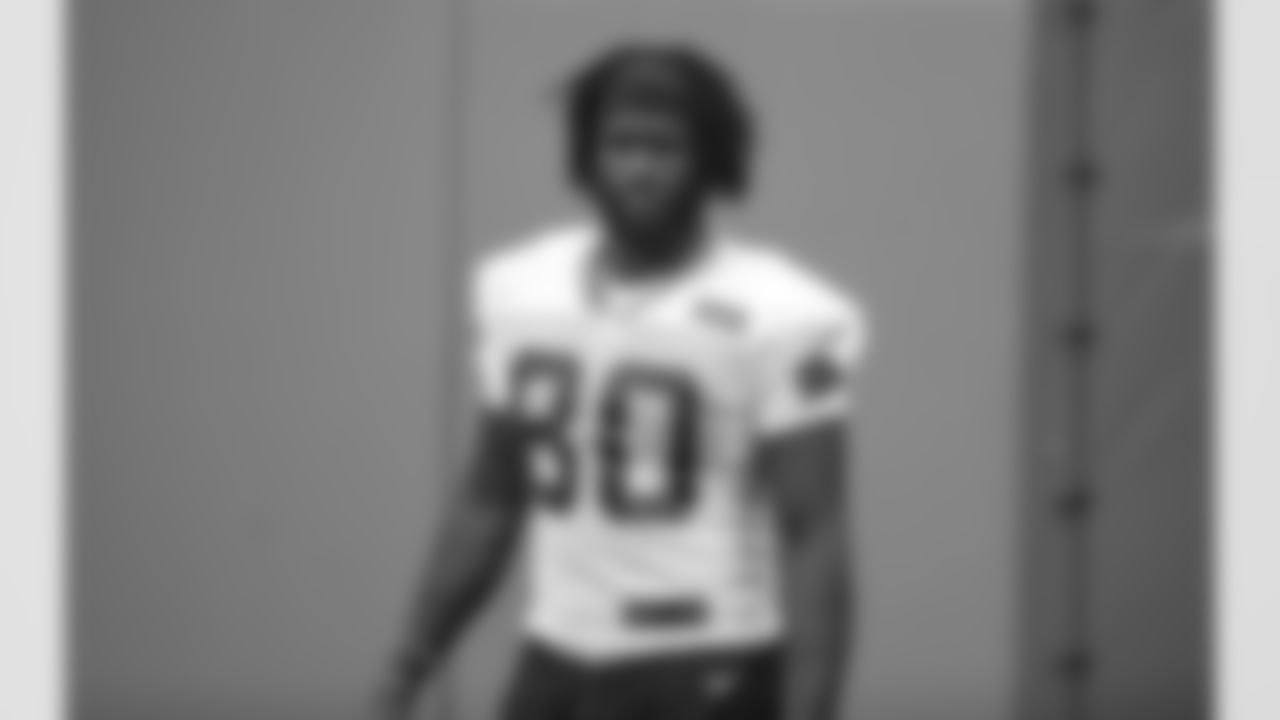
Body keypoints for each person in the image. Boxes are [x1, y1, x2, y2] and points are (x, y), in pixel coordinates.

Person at [379, 41, 870, 720]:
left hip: (705, 660)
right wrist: (406, 666)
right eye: (621, 145)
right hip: (555, 653)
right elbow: (490, 499)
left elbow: (813, 533)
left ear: (710, 159)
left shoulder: (783, 313)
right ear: (587, 156)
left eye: (664, 147)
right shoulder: (520, 288)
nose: (640, 169)